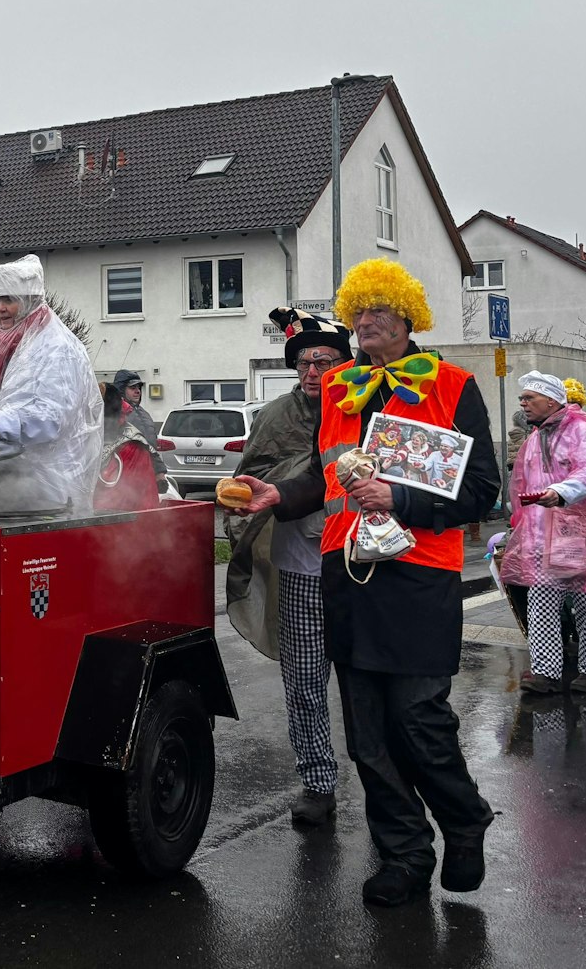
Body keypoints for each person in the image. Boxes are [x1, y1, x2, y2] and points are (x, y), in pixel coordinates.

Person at [235, 258, 499, 909]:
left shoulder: (453, 384)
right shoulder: (337, 388)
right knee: (367, 735)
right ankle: (406, 852)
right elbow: (325, 477)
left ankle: (464, 817)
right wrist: (281, 494)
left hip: (418, 577)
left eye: (381, 308)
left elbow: (483, 489)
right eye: (359, 310)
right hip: (345, 575)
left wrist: (400, 498)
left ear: (409, 317)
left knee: (419, 719)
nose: (368, 319)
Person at [225, 307, 351, 827]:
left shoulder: (368, 409)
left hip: (360, 567)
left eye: (322, 361)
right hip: (300, 566)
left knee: (369, 682)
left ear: (345, 364)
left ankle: (388, 779)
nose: (311, 372)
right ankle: (318, 781)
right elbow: (250, 473)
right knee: (303, 681)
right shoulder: (274, 416)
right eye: (302, 363)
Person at [496, 371, 586, 694]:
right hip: (543, 535)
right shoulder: (536, 436)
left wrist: (563, 491)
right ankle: (545, 672)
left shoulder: (583, 431)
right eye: (522, 398)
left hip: (583, 535)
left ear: (552, 400)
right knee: (541, 602)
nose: (523, 403)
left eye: (530, 398)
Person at [0, 255, 102, 512]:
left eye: (9, 300)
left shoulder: (57, 347)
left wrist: (1, 422)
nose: (0, 309)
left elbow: (54, 416)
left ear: (29, 301)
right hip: (9, 475)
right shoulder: (2, 339)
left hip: (51, 481)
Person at [105, 369, 159, 445]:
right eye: (133, 387)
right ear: (122, 390)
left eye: (139, 387)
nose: (138, 391)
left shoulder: (143, 412)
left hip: (148, 456)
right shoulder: (115, 412)